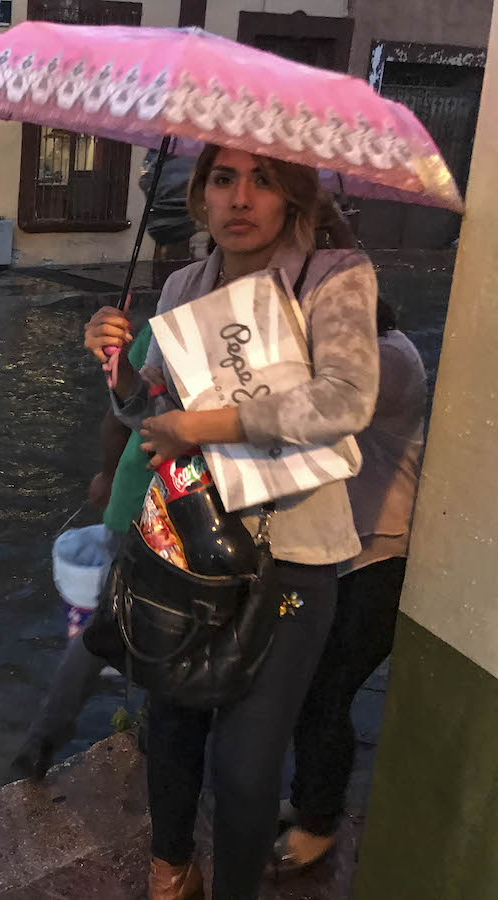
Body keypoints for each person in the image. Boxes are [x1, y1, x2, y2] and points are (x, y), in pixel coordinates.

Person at [85, 144, 379, 900]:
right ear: (201, 196)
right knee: (174, 727)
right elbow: (149, 414)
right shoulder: (184, 283)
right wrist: (116, 365)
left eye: (264, 180)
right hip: (190, 546)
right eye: (224, 179)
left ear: (292, 197)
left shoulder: (334, 277)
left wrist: (204, 426)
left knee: (247, 766)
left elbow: (345, 400)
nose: (241, 198)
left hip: (295, 557)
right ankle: (171, 869)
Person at [272, 298, 426, 874]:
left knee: (323, 689)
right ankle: (311, 796)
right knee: (313, 686)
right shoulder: (381, 351)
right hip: (348, 551)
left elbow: (314, 404)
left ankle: (319, 822)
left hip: (383, 553)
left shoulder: (389, 361)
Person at [11, 328, 158, 781]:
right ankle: (154, 737)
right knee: (173, 631)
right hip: (173, 509)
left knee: (104, 626)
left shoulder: (158, 322)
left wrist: (110, 474)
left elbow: (117, 416)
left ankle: (40, 744)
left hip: (131, 497)